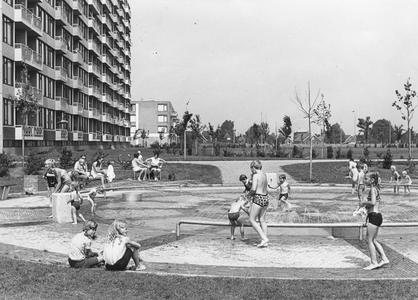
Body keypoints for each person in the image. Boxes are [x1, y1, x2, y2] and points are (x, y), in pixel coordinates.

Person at [359, 172, 390, 270]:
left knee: (369, 240)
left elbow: (372, 203)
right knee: (373, 240)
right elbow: (373, 203)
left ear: (372, 180)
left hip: (374, 217)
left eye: (366, 179)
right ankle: (384, 258)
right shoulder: (375, 189)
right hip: (376, 216)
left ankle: (374, 262)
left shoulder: (373, 189)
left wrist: (363, 202)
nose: (365, 180)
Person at [248, 160, 269, 248]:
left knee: (252, 220)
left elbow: (253, 189)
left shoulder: (256, 176)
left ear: (253, 167)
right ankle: (265, 241)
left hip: (258, 197)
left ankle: (264, 238)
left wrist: (248, 195)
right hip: (266, 197)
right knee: (262, 220)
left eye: (251, 168)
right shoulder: (264, 175)